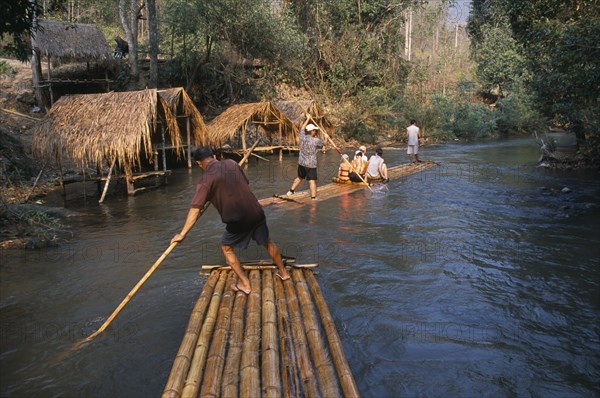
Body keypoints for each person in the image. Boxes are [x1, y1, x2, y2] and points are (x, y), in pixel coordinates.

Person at [171, 147, 290, 295]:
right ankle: (284, 273)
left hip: (238, 220)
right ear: (214, 156)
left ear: (198, 164)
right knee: (268, 242)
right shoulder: (232, 164)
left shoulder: (205, 181)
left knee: (226, 248)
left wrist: (182, 234)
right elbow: (243, 185)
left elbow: (195, 209)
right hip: (256, 211)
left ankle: (245, 284)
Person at [287, 117, 324, 200]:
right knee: (312, 181)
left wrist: (307, 119)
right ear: (312, 131)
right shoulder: (315, 140)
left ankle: (290, 191)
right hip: (310, 164)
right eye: (314, 130)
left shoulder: (302, 137)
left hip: (302, 163)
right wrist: (326, 137)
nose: (315, 131)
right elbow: (323, 144)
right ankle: (313, 198)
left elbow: (302, 128)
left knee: (299, 177)